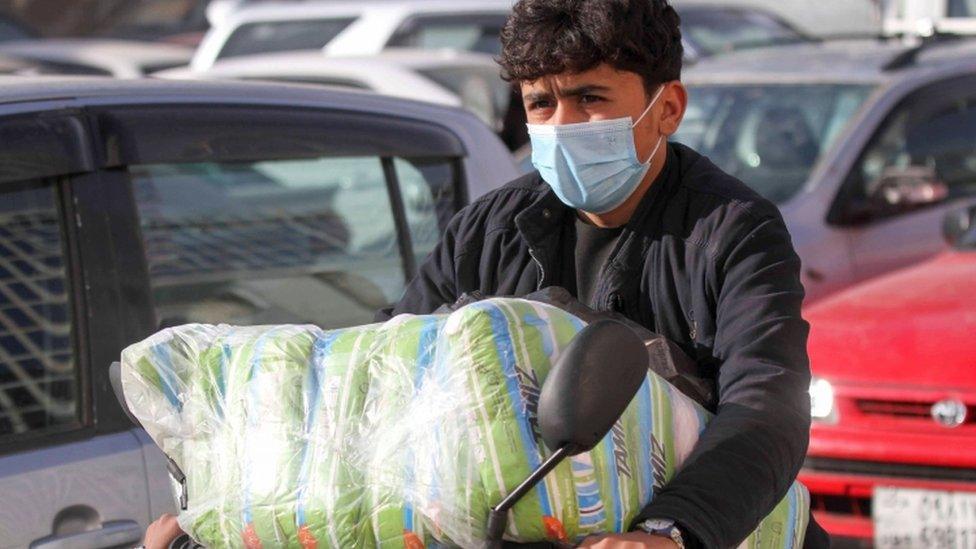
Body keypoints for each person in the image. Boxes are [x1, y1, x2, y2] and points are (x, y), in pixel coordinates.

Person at [145, 0, 828, 546]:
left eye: (590, 99)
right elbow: (382, 382)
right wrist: (219, 512)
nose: (563, 124)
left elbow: (766, 403)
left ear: (667, 108)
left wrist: (671, 530)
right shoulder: (490, 226)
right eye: (542, 103)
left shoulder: (731, 228)